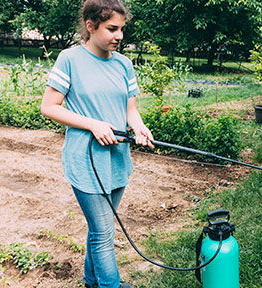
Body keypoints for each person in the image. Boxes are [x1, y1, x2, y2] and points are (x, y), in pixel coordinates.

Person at [41, 0, 154, 287]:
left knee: (99, 228)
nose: (119, 36)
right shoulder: (70, 59)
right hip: (86, 160)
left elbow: (130, 109)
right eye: (112, 29)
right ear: (91, 27)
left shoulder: (124, 64)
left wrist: (139, 128)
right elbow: (50, 107)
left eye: (121, 29)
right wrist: (92, 123)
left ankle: (91, 281)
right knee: (103, 232)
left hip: (117, 159)